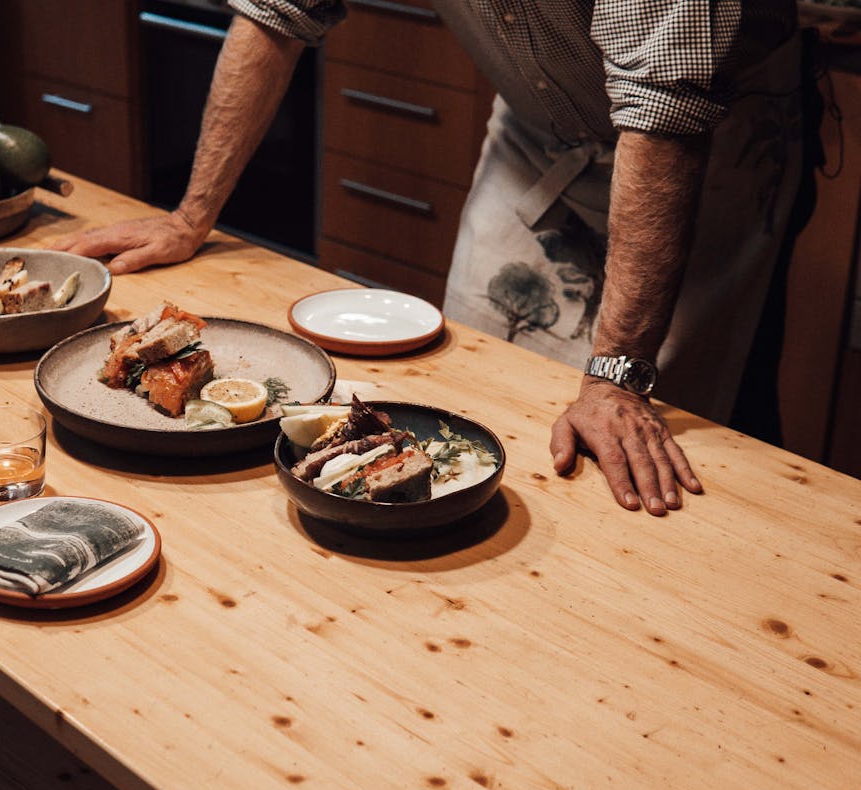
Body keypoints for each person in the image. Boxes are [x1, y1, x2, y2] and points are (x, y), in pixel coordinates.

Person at [51, 0, 804, 517]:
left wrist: (614, 376)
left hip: (701, 144)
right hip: (541, 126)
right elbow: (277, 13)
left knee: (636, 451)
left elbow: (662, 104)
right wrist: (191, 216)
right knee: (467, 415)